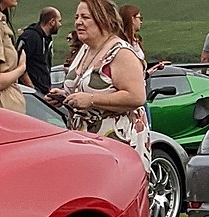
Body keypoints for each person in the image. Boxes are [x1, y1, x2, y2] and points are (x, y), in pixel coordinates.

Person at [52, 0, 150, 172]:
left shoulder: (121, 53)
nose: (78, 22)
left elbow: (136, 97)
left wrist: (91, 100)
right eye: (76, 17)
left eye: (85, 17)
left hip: (116, 142)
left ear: (103, 19)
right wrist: (63, 96)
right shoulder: (85, 49)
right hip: (84, 139)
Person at [18, 7, 60, 95]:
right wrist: (32, 88)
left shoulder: (47, 39)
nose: (60, 24)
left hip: (42, 91)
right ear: (52, 22)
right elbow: (19, 63)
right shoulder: (31, 37)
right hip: (31, 94)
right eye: (59, 21)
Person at [119, 4, 168, 75]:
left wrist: (155, 66)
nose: (141, 22)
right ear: (132, 19)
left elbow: (139, 69)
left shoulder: (136, 41)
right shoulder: (121, 43)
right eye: (139, 18)